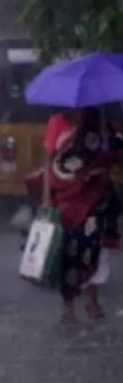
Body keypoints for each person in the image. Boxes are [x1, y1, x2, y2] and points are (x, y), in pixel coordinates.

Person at [42, 107, 122, 323]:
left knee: (96, 250)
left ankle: (91, 299)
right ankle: (67, 305)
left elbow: (112, 154)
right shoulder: (57, 122)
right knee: (69, 252)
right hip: (67, 200)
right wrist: (47, 197)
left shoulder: (98, 119)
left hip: (97, 198)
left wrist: (108, 144)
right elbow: (49, 161)